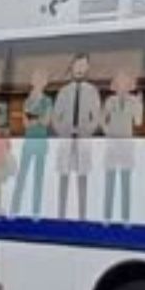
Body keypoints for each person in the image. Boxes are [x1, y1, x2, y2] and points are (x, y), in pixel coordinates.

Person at [50, 52, 102, 220]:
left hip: (83, 140)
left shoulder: (92, 91)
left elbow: (96, 117)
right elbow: (55, 117)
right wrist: (64, 130)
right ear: (72, 67)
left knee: (82, 178)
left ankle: (82, 216)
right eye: (77, 65)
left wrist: (85, 131)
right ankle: (61, 214)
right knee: (63, 177)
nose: (79, 69)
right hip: (66, 140)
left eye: (83, 65)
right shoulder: (63, 91)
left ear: (87, 68)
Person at [101, 68, 143, 222]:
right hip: (112, 146)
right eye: (119, 83)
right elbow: (102, 119)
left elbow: (138, 122)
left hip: (126, 146)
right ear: (115, 85)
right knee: (109, 183)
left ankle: (126, 218)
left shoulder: (133, 101)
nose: (122, 86)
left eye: (125, 83)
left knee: (126, 184)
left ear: (129, 85)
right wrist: (108, 133)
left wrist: (139, 105)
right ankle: (107, 217)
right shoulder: (109, 101)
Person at [11, 67, 52, 218]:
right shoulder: (27, 100)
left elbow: (46, 121)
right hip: (29, 142)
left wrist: (33, 118)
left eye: (42, 78)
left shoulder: (47, 100)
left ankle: (36, 211)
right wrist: (36, 119)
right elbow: (26, 124)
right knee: (22, 175)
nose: (39, 81)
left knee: (38, 177)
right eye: (36, 78)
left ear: (45, 82)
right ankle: (15, 208)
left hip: (41, 142)